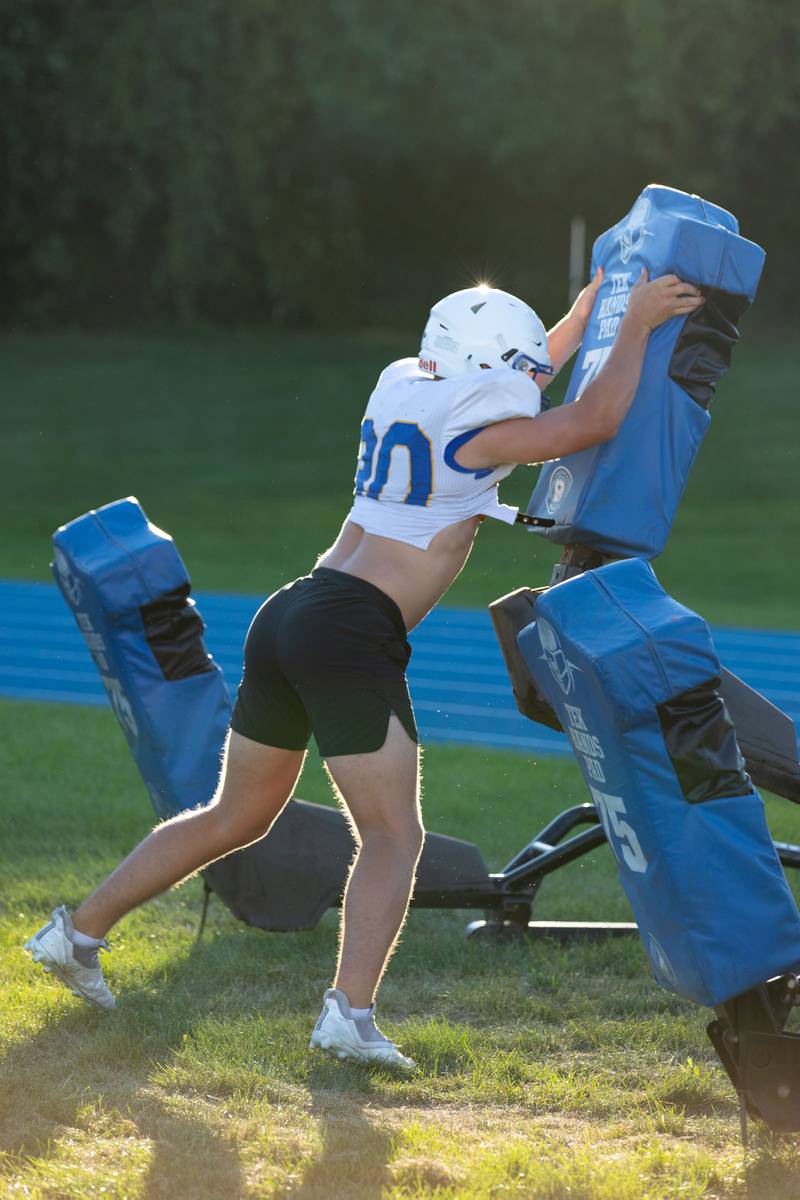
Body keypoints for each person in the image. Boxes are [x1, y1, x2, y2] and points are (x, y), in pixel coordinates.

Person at [24, 268, 703, 1071]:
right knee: (392, 835)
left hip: (294, 611)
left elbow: (507, 376)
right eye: (520, 367)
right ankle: (348, 1015)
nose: (530, 378)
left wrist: (580, 317)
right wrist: (635, 327)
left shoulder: (403, 386)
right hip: (349, 630)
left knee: (233, 816)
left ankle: (74, 934)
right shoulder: (478, 427)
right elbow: (594, 418)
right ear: (489, 366)